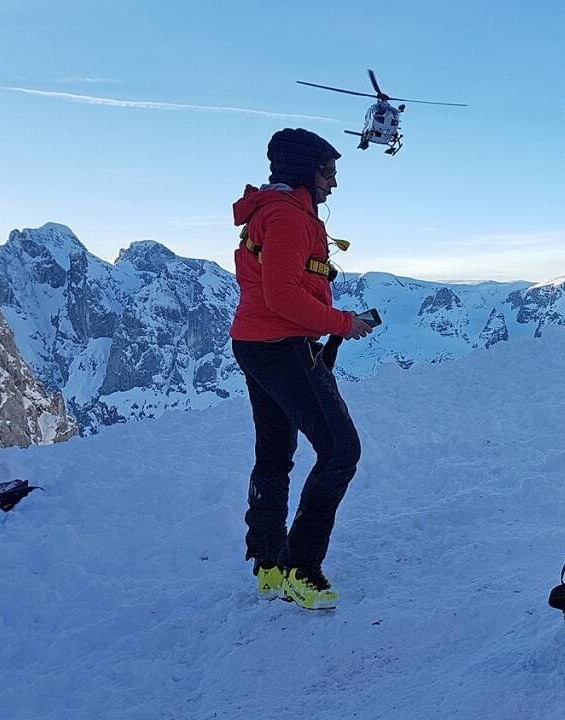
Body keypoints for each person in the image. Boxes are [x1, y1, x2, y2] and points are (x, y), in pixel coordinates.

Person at [229, 128, 374, 610]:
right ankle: (301, 568)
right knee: (340, 450)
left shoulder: (269, 213)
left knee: (275, 453)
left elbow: (275, 288)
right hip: (280, 344)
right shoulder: (290, 218)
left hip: (253, 342)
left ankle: (269, 562)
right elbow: (283, 295)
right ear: (306, 171)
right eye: (327, 172)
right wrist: (343, 324)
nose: (332, 183)